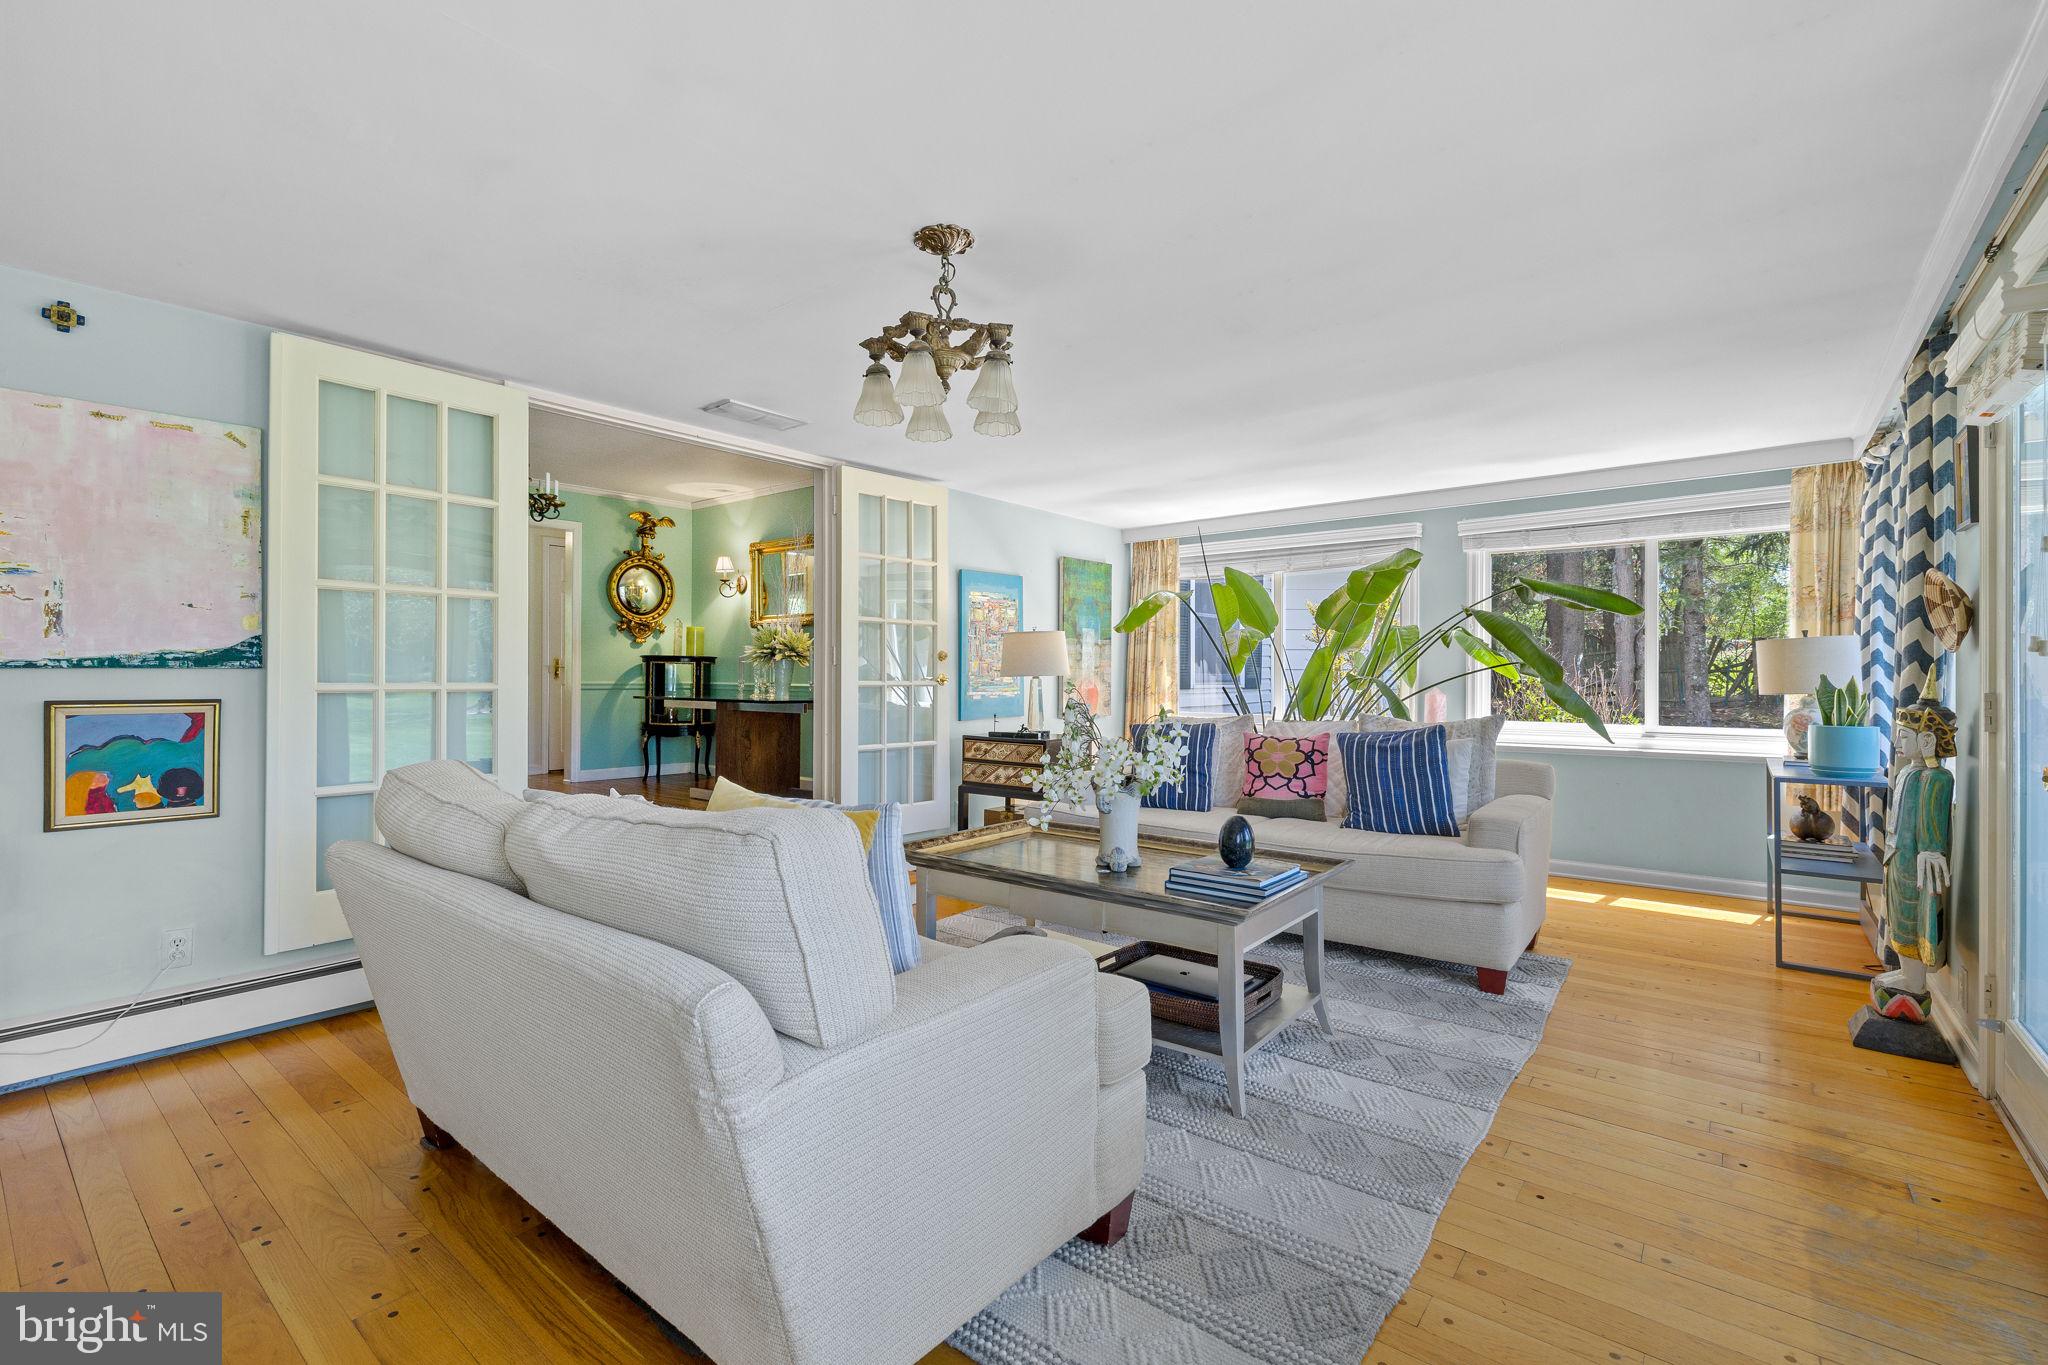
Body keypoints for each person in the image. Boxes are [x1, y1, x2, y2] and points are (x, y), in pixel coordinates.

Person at [1868, 668, 1956, 1025]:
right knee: (1900, 917)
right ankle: (1908, 975)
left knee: (1913, 915)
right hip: (1898, 858)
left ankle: (1915, 982)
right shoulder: (1905, 773)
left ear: (1926, 742)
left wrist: (1933, 849)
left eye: (1904, 736)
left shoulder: (1937, 778)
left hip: (1917, 863)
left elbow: (1933, 823)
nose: (1898, 744)